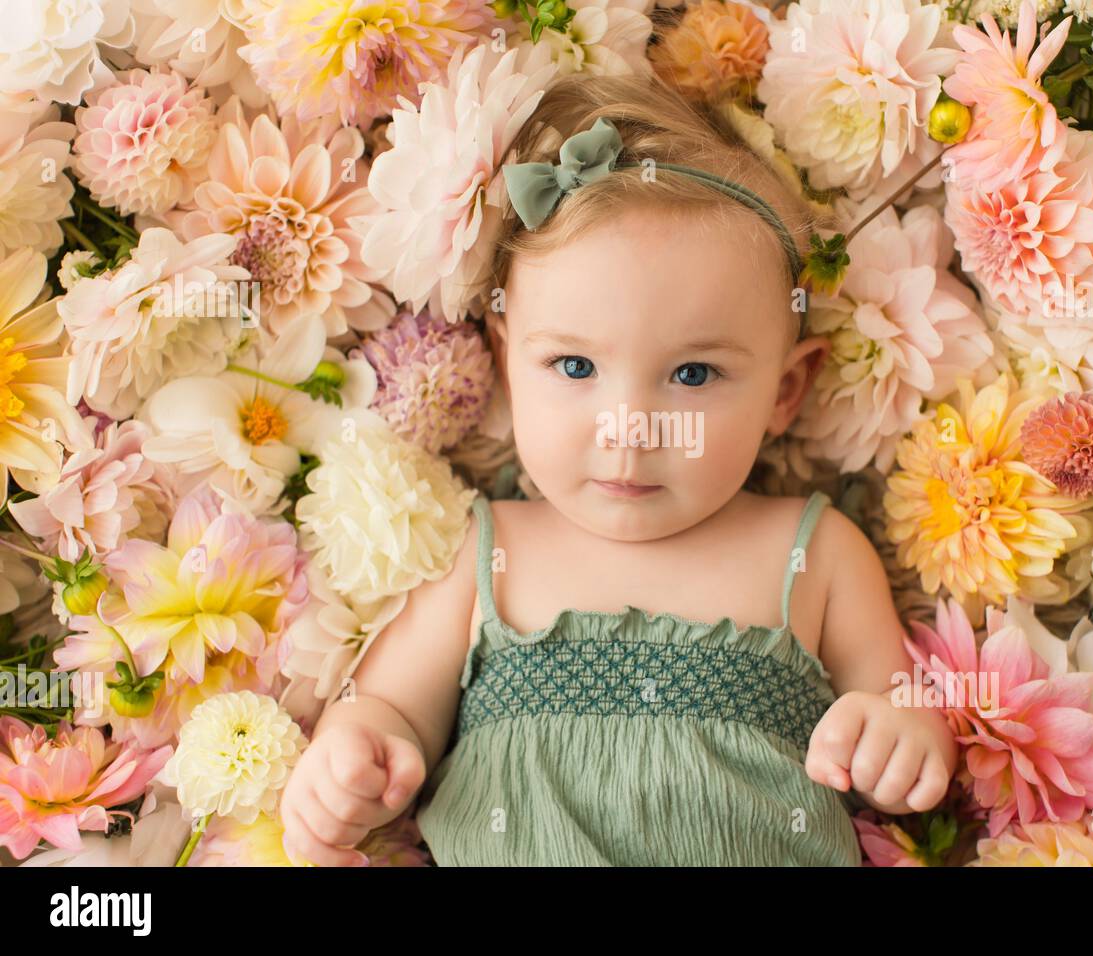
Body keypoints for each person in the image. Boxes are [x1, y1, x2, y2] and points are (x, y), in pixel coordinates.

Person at [279, 71, 958, 866]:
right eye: (572, 366)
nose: (628, 431)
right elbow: (390, 703)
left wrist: (900, 739)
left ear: (787, 390)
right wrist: (352, 755)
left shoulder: (814, 552)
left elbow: (898, 710)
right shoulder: (487, 551)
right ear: (506, 361)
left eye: (695, 375)